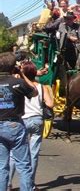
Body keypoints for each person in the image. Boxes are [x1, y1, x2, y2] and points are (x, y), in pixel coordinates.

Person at [8, 61, 54, 191]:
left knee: (13, 153)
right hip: (36, 120)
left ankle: (8, 183)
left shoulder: (18, 85)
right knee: (33, 154)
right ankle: (30, 184)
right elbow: (50, 104)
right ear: (35, 73)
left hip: (21, 120)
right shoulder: (41, 87)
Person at [0, 52, 38, 191]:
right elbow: (34, 92)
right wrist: (22, 75)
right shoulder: (18, 82)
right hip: (14, 125)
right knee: (24, 166)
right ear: (13, 67)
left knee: (1, 167)